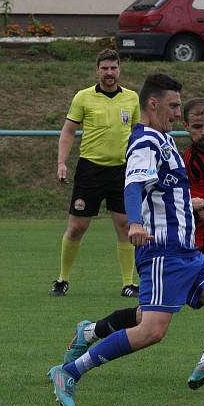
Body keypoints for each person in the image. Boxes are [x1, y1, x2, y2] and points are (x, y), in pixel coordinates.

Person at [48, 73, 204, 406]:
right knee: (151, 331)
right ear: (153, 104)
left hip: (190, 254)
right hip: (164, 254)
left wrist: (185, 203)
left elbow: (159, 190)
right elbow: (133, 186)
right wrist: (134, 222)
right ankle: (69, 372)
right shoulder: (145, 141)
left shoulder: (164, 141)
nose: (178, 113)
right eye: (174, 105)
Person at [50, 48, 140, 298]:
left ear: (119, 69)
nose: (109, 73)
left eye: (113, 68)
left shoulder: (132, 98)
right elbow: (68, 131)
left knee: (125, 225)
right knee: (77, 226)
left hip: (122, 170)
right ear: (97, 70)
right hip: (90, 169)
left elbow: (138, 133)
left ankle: (128, 283)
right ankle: (62, 279)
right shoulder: (83, 97)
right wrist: (61, 162)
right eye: (105, 68)